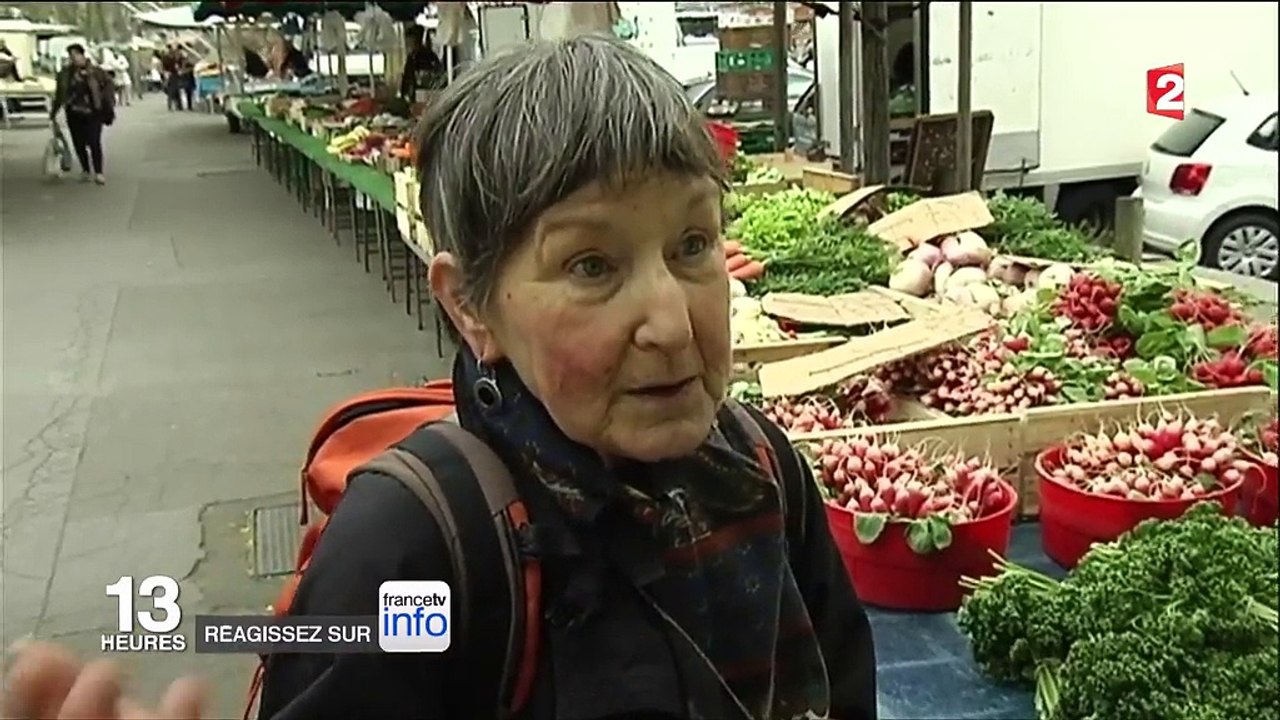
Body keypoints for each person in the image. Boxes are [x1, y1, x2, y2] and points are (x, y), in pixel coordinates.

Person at [1, 36, 878, 720]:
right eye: (590, 266)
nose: (672, 321)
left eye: (692, 245)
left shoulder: (763, 470)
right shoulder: (416, 557)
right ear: (470, 308)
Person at [50, 43, 114, 185]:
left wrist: (107, 106)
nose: (74, 59)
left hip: (93, 112)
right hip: (74, 112)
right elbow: (59, 94)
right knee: (78, 143)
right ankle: (85, 170)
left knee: (94, 142)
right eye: (71, 56)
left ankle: (98, 172)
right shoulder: (66, 74)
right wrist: (54, 112)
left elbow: (108, 87)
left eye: (76, 55)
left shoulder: (96, 72)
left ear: (82, 55)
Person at [399, 24, 444, 101]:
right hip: (415, 95)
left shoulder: (428, 56)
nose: (408, 44)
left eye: (410, 41)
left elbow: (437, 75)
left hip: (427, 94)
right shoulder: (412, 57)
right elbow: (407, 77)